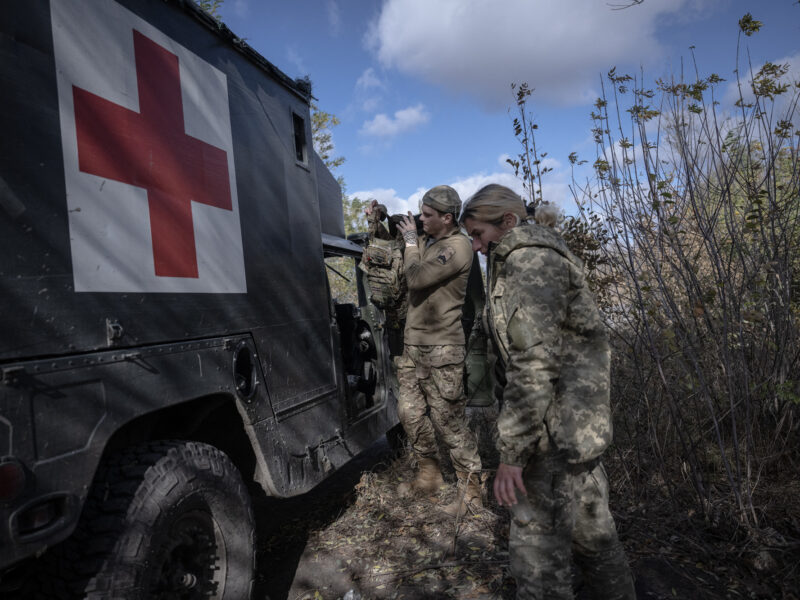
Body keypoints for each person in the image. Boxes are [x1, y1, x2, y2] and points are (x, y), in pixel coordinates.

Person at [460, 184, 635, 599]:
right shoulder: (531, 256)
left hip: (552, 437)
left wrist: (512, 455)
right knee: (594, 538)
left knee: (538, 565)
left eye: (479, 235)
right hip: (574, 429)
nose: (476, 246)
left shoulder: (529, 262)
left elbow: (533, 365)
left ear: (507, 222)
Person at [394, 185, 483, 517]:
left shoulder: (457, 247)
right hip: (413, 346)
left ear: (447, 218)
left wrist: (410, 241)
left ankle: (471, 494)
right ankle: (429, 475)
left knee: (449, 424)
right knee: (410, 414)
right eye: (420, 214)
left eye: (427, 215)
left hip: (442, 351)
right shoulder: (434, 243)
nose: (420, 220)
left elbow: (415, 278)